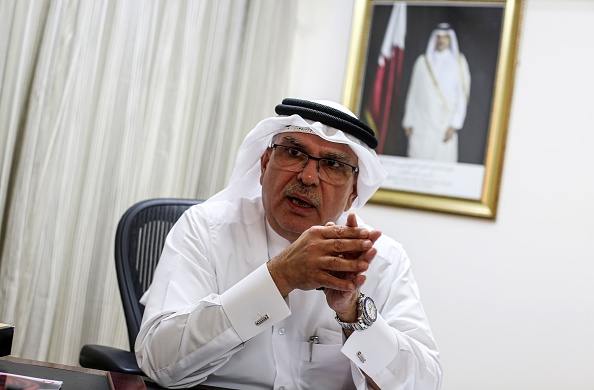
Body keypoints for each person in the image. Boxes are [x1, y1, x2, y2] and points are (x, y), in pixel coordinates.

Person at [135, 98, 442, 389]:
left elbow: (422, 383)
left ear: (353, 192)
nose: (308, 177)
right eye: (294, 153)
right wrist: (278, 278)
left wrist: (352, 313)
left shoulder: (383, 259)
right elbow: (158, 362)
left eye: (333, 165)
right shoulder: (205, 229)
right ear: (265, 162)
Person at [402, 23, 471, 162]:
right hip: (422, 124)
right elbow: (413, 94)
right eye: (438, 37)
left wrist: (454, 125)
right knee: (417, 166)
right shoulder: (422, 62)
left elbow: (462, 96)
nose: (441, 40)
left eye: (445, 37)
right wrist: (409, 121)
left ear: (450, 39)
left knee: (442, 167)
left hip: (444, 124)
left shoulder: (458, 62)